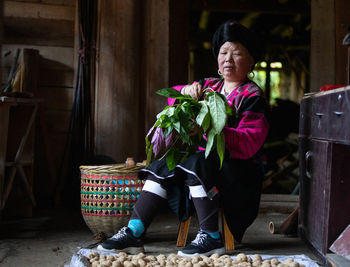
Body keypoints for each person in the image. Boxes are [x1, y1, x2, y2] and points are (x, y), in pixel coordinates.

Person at [97, 20, 270, 257]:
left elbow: (249, 142)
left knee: (196, 162)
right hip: (204, 163)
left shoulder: (253, 96)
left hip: (239, 171)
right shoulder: (208, 85)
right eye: (223, 52)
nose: (228, 59)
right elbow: (172, 98)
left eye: (237, 53)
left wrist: (207, 131)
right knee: (163, 163)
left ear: (251, 62)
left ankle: (211, 237)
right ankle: (134, 232)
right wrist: (186, 91)